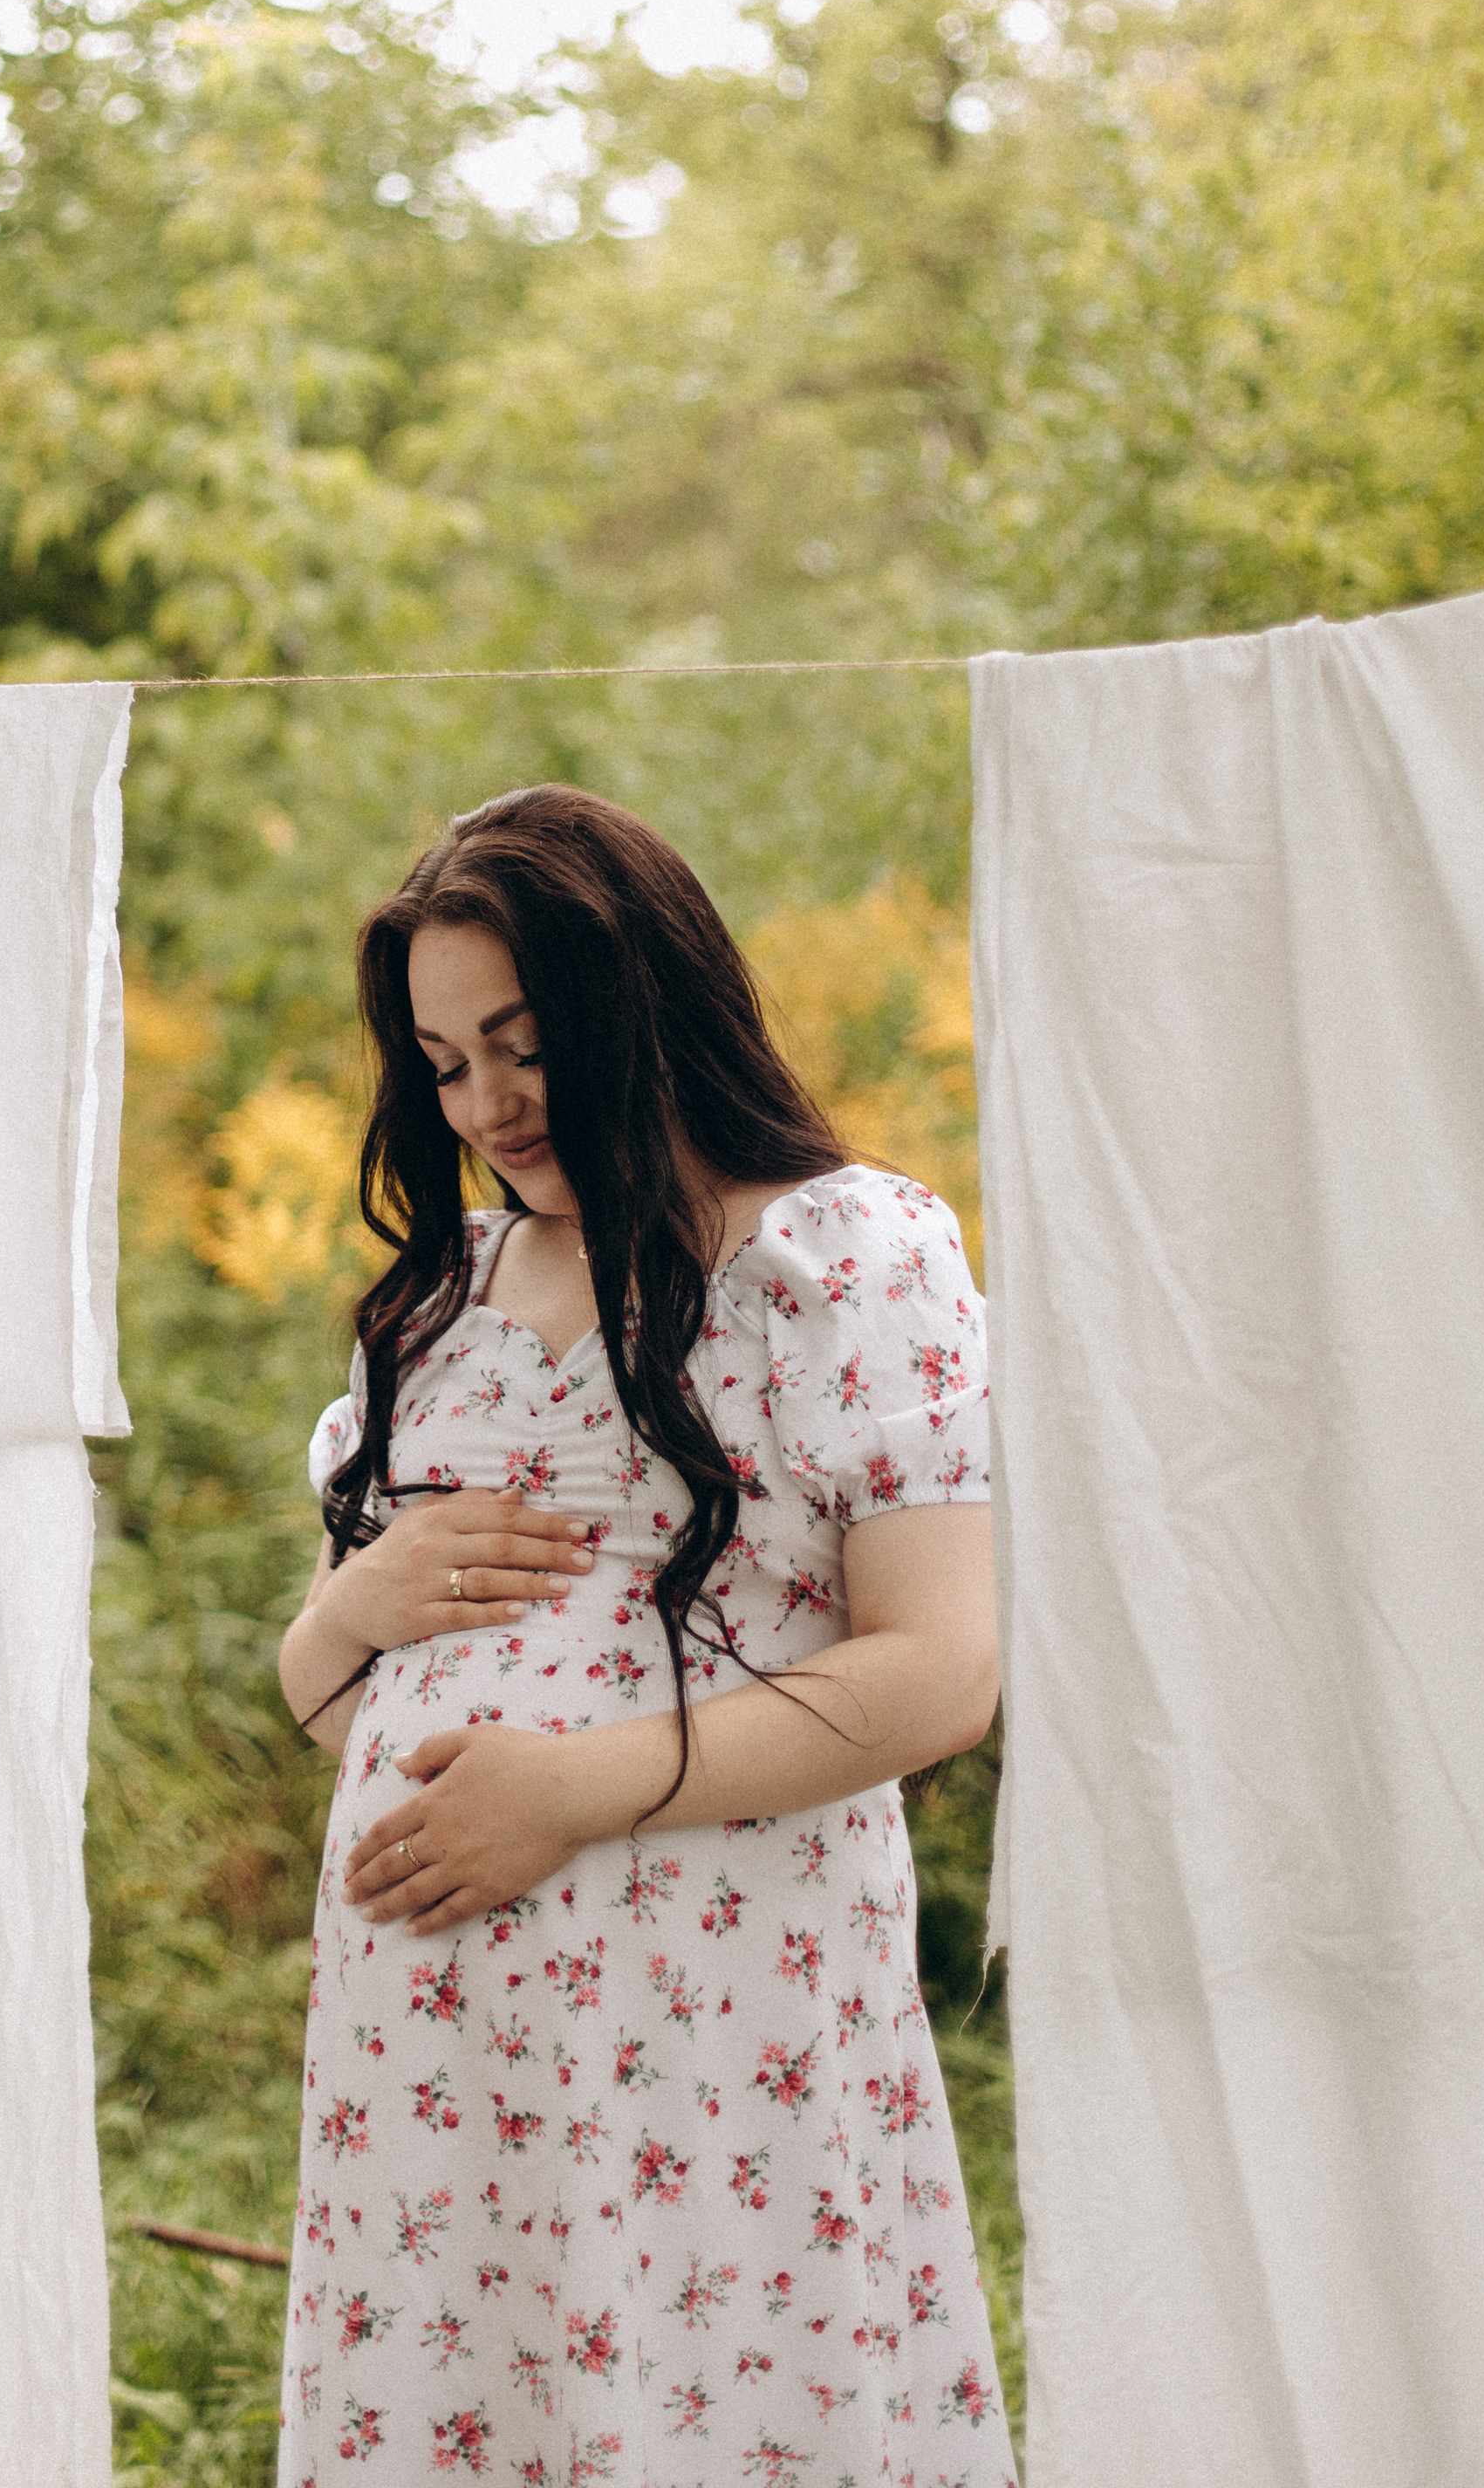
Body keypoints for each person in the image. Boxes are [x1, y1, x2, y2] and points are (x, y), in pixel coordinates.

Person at [275, 785, 1012, 2488]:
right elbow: (335, 1705)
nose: (484, 1103)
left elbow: (939, 1669)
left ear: (644, 992)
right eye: (445, 1062)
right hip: (434, 2062)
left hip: (704, 2026)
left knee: (718, 2419)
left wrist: (568, 1792)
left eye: (521, 1043)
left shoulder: (839, 1256)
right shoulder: (444, 1299)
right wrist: (350, 1610)